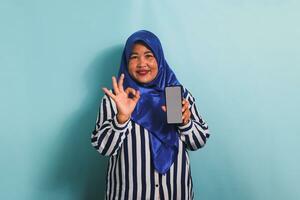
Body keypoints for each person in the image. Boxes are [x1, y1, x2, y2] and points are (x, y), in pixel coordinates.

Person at [91, 30, 210, 200]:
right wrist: (121, 119)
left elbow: (199, 141)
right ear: (126, 61)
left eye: (149, 55)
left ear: (159, 59)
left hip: (175, 193)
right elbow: (103, 148)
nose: (142, 63)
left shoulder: (178, 94)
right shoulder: (115, 99)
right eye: (134, 57)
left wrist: (186, 123)